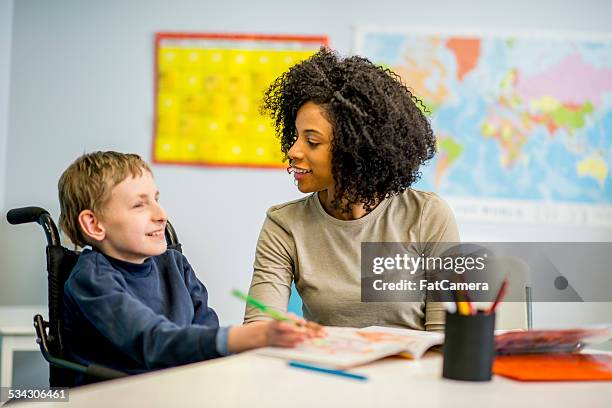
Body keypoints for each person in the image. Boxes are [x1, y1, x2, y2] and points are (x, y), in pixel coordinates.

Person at [244, 48, 460, 332]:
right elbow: (259, 329)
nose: (293, 151)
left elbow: (444, 335)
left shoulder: (427, 216)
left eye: (312, 141)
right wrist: (273, 332)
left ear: (355, 149)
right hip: (326, 371)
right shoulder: (284, 225)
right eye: (295, 136)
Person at [59, 151, 314, 384]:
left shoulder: (174, 264)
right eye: (139, 204)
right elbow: (152, 341)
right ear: (94, 224)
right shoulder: (91, 278)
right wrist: (252, 336)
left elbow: (207, 332)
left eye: (156, 199)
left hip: (179, 387)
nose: (161, 214)